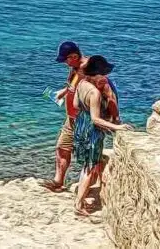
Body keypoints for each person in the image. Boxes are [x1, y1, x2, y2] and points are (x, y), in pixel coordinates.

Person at [72, 55, 133, 216]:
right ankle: (79, 204)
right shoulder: (95, 93)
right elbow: (96, 119)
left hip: (80, 125)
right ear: (97, 74)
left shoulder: (81, 84)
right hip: (92, 130)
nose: (105, 76)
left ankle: (79, 199)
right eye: (103, 73)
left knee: (86, 164)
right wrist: (117, 127)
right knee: (90, 168)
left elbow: (75, 105)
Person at [42, 41, 85, 193]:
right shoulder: (75, 69)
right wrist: (64, 91)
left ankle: (88, 187)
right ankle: (58, 181)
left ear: (74, 56)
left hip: (84, 119)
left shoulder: (86, 67)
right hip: (71, 119)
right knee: (62, 147)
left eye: (66, 60)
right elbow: (74, 85)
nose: (65, 63)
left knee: (88, 154)